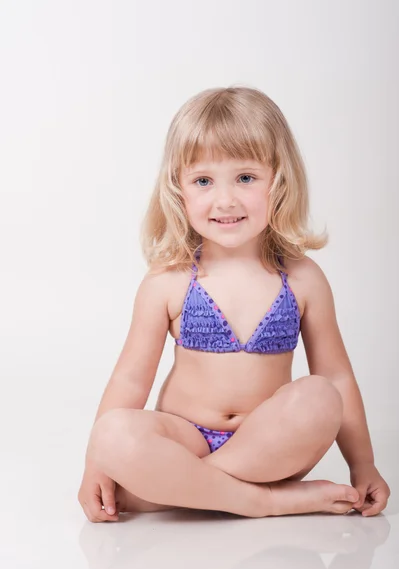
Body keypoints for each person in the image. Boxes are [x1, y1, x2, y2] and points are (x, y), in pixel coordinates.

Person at [78, 85, 390, 522]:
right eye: (203, 181)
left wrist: (364, 464)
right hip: (186, 438)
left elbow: (336, 376)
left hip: (271, 447)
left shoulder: (302, 279)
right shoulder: (169, 281)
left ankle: (182, 490)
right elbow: (130, 381)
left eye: (245, 178)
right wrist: (98, 464)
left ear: (278, 180)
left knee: (320, 396)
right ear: (178, 189)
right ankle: (263, 501)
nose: (225, 200)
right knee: (112, 435)